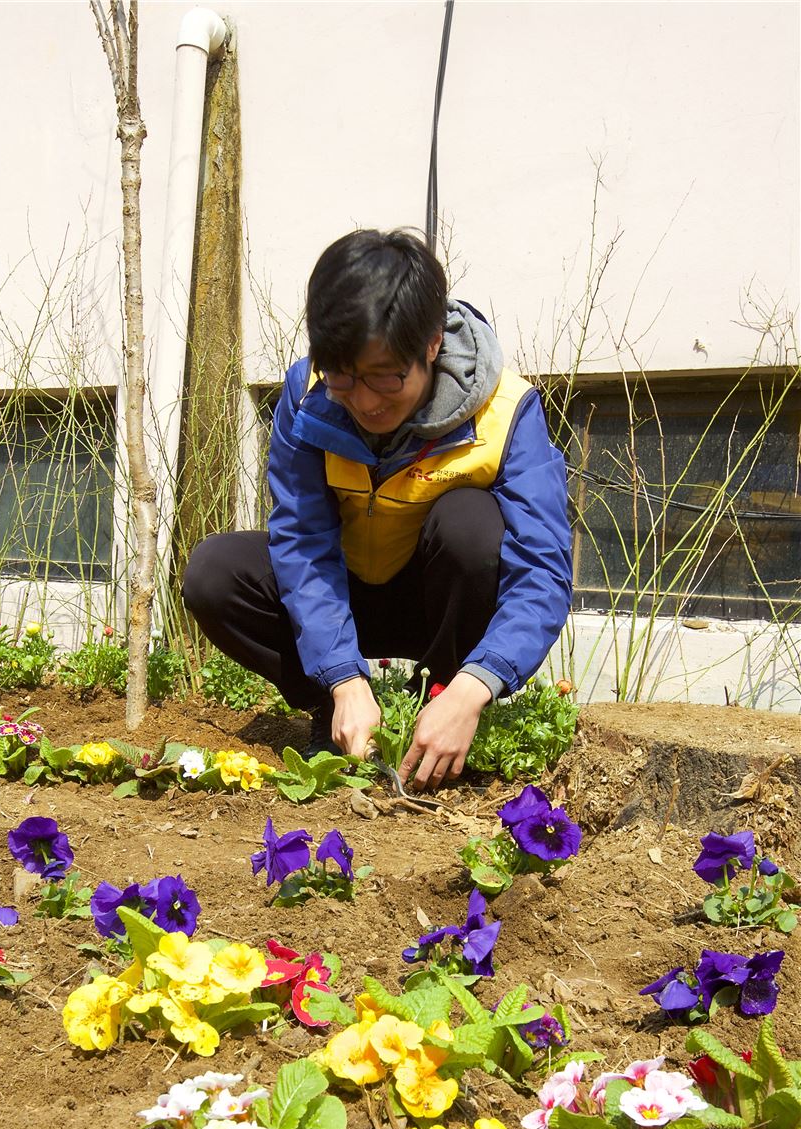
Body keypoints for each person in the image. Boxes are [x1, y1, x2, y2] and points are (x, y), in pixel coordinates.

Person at [182, 228, 572, 789]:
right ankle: (335, 708)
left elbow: (542, 570)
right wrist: (342, 677)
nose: (365, 401)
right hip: (345, 590)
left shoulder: (506, 410)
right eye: (345, 376)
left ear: (432, 344)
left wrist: (473, 686)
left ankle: (444, 705)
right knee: (214, 573)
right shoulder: (308, 395)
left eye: (387, 376)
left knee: (471, 525)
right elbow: (303, 540)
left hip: (436, 601)